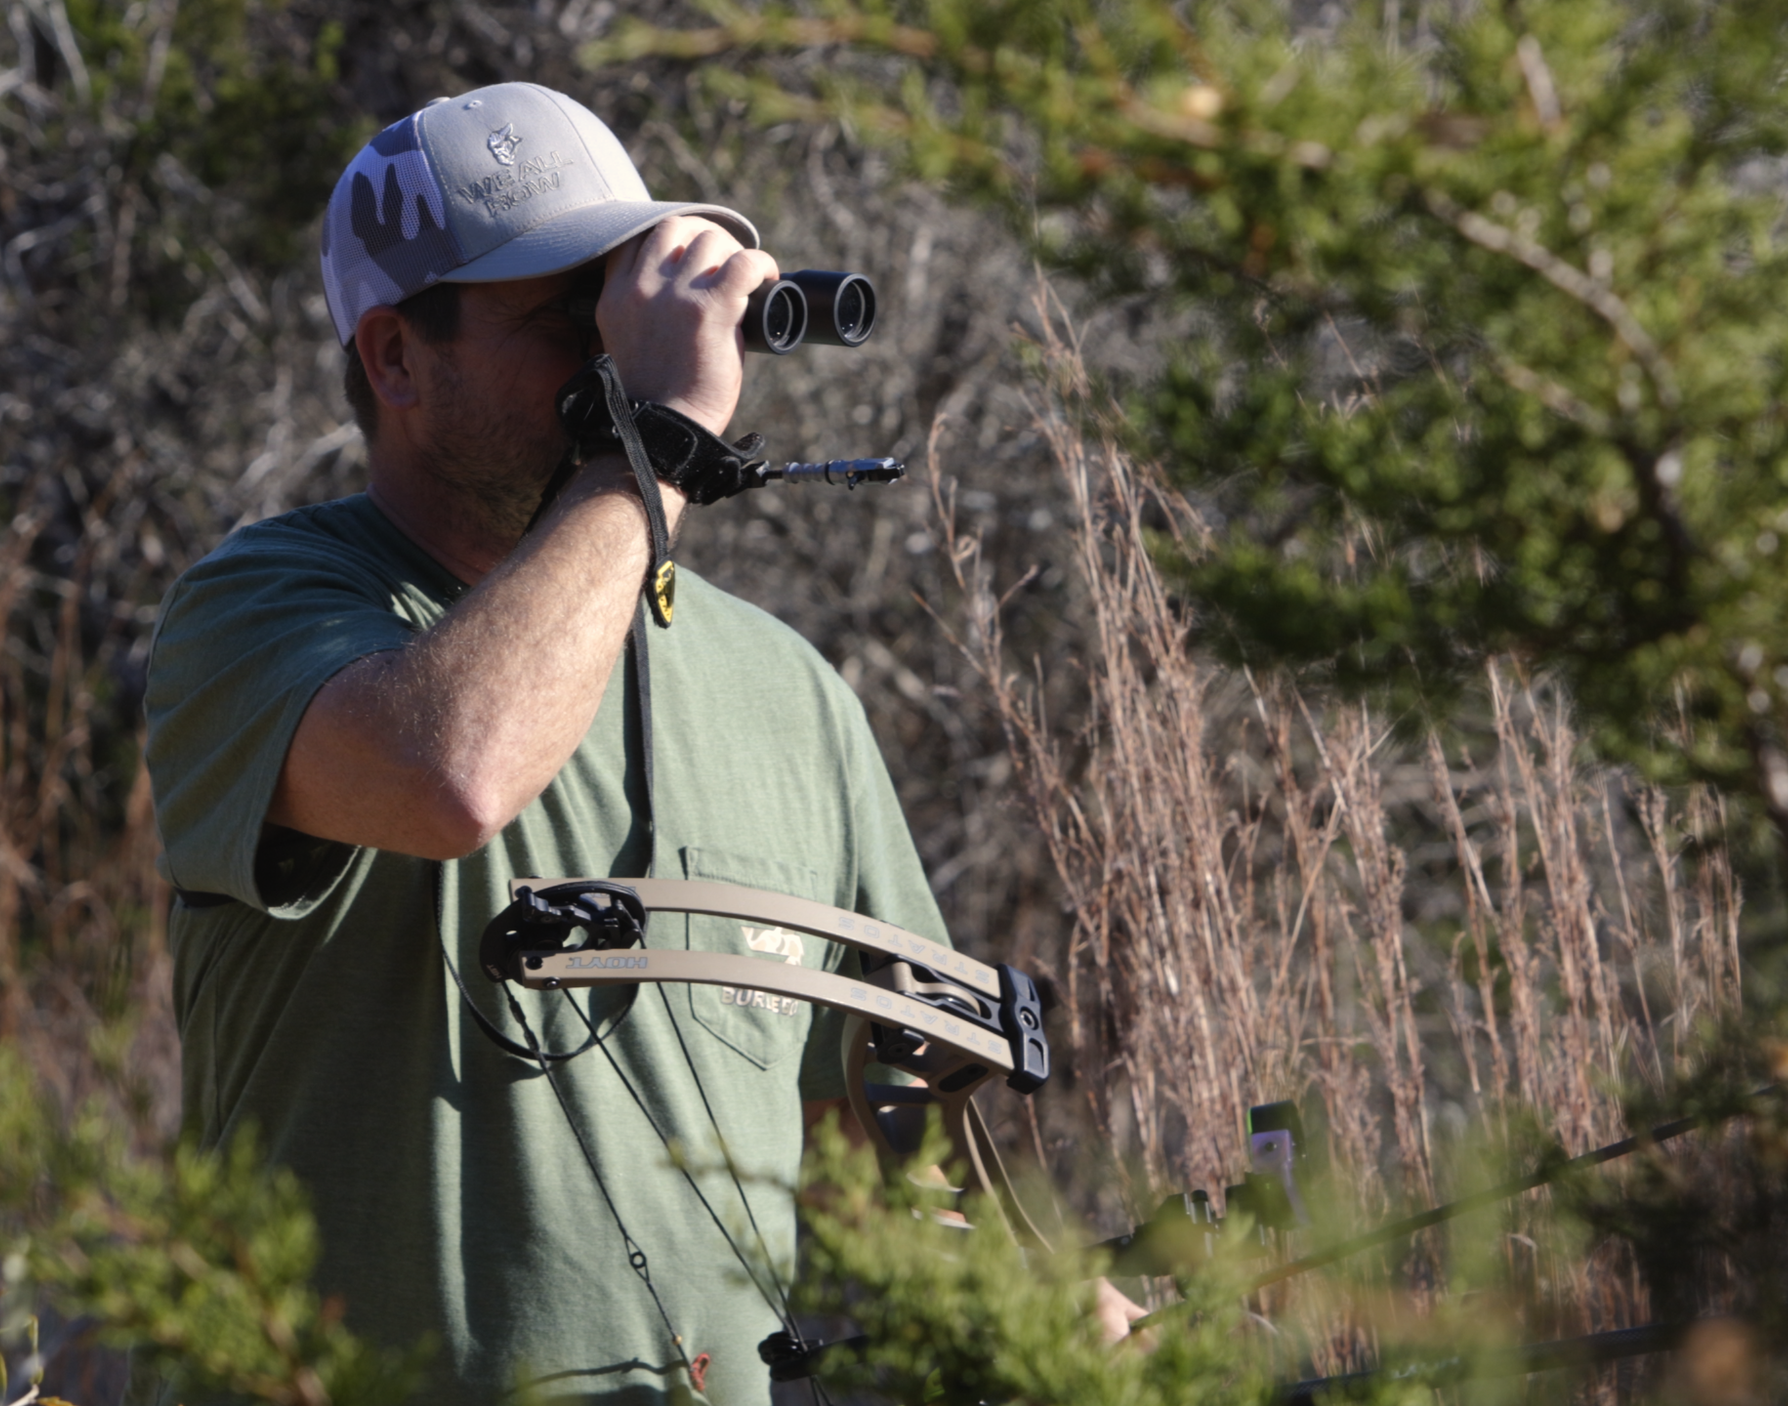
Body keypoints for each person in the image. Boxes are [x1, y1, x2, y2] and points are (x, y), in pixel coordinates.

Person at [145, 81, 1132, 1405]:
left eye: (632, 305)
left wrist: (1049, 1311)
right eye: (568, 315)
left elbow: (881, 1178)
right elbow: (454, 772)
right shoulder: (261, 611)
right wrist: (653, 449)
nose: (613, 358)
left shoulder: (793, 695)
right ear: (394, 358)